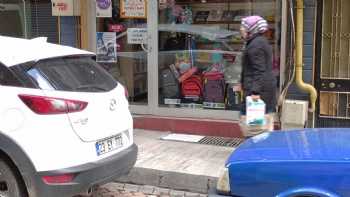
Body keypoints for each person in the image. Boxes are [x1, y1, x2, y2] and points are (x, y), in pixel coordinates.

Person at [238, 15, 277, 137]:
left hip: (258, 93)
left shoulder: (256, 45)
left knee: (254, 128)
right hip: (263, 90)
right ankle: (260, 149)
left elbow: (259, 70)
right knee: (262, 125)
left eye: (243, 28)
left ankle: (255, 152)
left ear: (251, 29)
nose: (241, 30)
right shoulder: (259, 42)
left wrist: (255, 92)